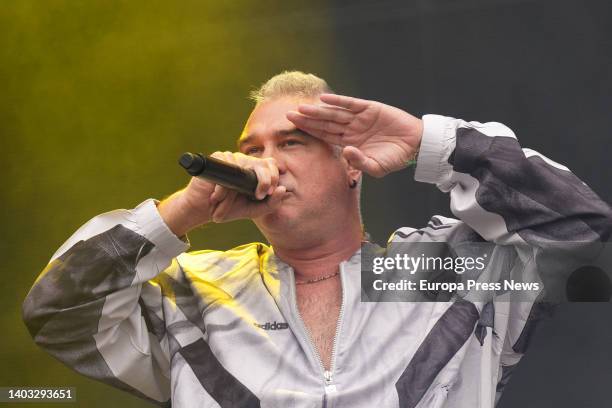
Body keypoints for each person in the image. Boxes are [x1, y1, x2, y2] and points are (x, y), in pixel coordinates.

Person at [22, 71, 612, 408]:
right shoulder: (194, 291)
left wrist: (427, 142)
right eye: (252, 151)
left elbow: (587, 240)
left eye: (293, 143)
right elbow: (57, 313)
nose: (267, 165)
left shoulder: (448, 274)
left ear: (351, 165)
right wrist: (180, 212)